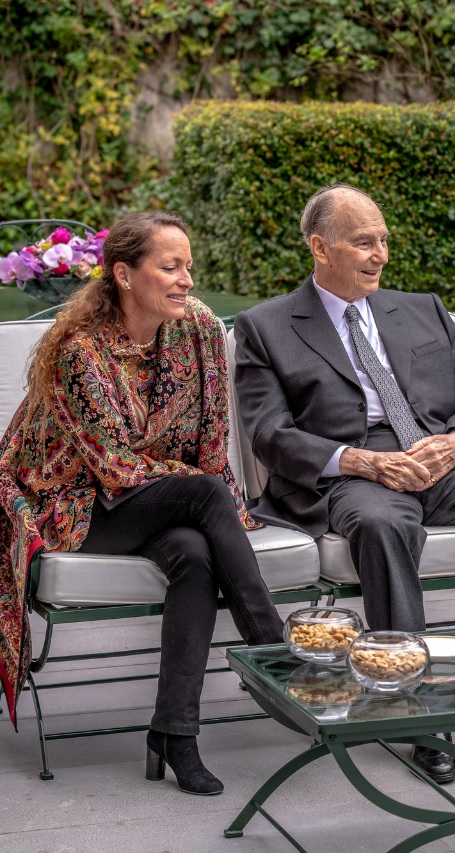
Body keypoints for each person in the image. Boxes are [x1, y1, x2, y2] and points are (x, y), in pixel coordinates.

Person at [234, 184, 455, 782]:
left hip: (438, 457)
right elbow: (269, 434)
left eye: (384, 240)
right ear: (320, 248)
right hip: (352, 471)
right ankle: (417, 711)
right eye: (364, 243)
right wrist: (362, 462)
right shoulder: (267, 326)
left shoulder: (422, 308)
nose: (381, 255)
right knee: (382, 523)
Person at [0, 212, 285, 796]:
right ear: (125, 275)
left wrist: (211, 507)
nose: (187, 280)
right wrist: (203, 493)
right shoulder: (80, 351)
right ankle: (276, 653)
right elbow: (114, 467)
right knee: (203, 495)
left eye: (188, 266)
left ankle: (174, 733)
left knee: (194, 553)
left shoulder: (199, 327)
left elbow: (211, 443)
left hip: (150, 497)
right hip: (68, 500)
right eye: (170, 267)